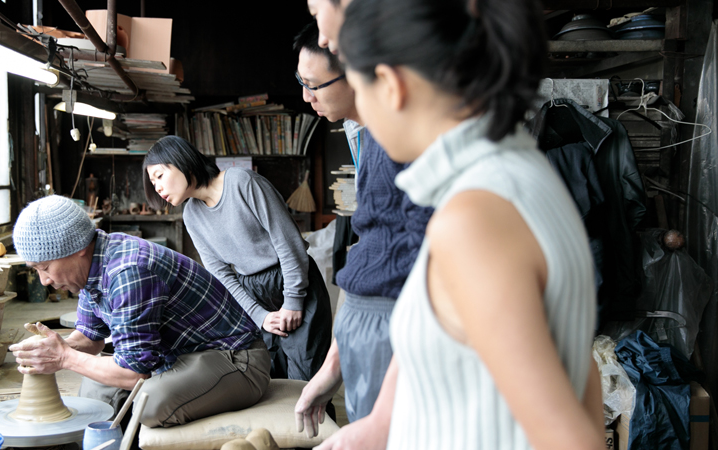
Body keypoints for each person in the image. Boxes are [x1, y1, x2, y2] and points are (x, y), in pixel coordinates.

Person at [316, 0, 605, 448]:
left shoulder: (475, 220)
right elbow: (578, 375)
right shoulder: (517, 174)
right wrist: (381, 427)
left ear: (391, 86)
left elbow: (569, 439)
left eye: (357, 87)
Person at [8, 195, 270, 428]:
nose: (43, 280)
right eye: (36, 270)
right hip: (178, 358)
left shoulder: (129, 270)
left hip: (236, 360)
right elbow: (91, 337)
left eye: (45, 267)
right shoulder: (91, 266)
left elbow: (133, 372)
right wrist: (51, 350)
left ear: (78, 250)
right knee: (94, 392)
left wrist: (64, 358)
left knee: (150, 403)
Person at [292, 20, 432, 426]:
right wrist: (331, 368)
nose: (305, 96)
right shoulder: (370, 137)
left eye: (313, 84)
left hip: (393, 329)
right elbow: (369, 256)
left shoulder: (400, 138)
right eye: (299, 81)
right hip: (365, 328)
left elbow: (427, 266)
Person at [142, 136, 333, 383]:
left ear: (182, 162)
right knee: (270, 380)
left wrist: (294, 300)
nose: (156, 187)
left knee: (308, 381)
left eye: (159, 175)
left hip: (293, 279)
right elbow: (220, 274)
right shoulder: (191, 214)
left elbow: (288, 243)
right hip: (252, 292)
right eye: (152, 181)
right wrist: (259, 315)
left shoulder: (242, 182)